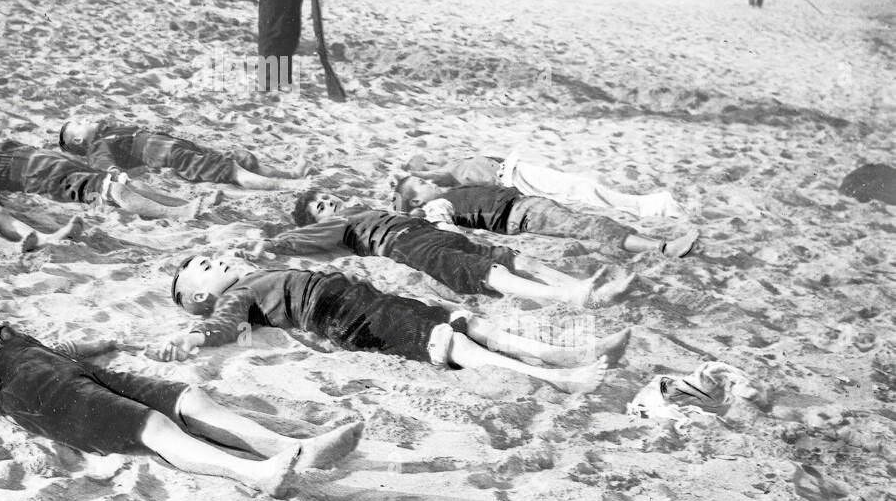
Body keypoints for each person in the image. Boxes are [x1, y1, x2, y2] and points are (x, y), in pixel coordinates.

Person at [0, 303, 364, 496]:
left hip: (65, 367)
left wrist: (100, 341)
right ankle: (254, 474)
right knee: (153, 427)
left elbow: (49, 344)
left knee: (190, 396)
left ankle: (295, 448)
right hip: (30, 395)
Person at [156, 257, 624, 394]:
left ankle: (558, 355)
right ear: (201, 295)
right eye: (207, 265)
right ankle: (558, 377)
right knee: (449, 341)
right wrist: (191, 336)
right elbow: (221, 326)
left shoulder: (253, 275)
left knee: (463, 321)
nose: (218, 258)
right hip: (346, 317)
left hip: (363, 301)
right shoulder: (237, 295)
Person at [258, 189, 633, 307]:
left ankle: (581, 289)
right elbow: (299, 241)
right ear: (317, 219)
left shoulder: (359, 209)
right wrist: (272, 243)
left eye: (327, 197)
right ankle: (572, 296)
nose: (329, 203)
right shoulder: (334, 225)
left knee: (513, 258)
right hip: (406, 244)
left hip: (425, 230)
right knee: (487, 272)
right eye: (320, 206)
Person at [390, 177, 699, 258]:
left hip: (526, 206)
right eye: (419, 184)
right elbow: (443, 225)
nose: (426, 181)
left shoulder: (450, 191)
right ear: (417, 200)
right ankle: (663, 247)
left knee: (589, 226)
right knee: (590, 225)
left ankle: (641, 244)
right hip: (521, 213)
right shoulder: (436, 205)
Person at [0, 136, 204, 220]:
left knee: (131, 184)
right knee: (114, 191)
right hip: (51, 181)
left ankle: (178, 203)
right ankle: (176, 214)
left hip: (66, 167)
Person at [399, 152, 683, 219]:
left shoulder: (451, 171)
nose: (427, 175)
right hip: (515, 178)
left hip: (516, 173)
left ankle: (651, 206)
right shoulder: (448, 180)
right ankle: (653, 207)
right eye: (421, 178)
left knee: (580, 189)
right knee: (580, 190)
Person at [59, 116, 308, 191]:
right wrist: (113, 173)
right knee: (230, 169)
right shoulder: (97, 145)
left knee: (239, 158)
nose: (85, 117)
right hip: (167, 154)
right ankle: (284, 185)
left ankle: (289, 174)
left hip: (174, 145)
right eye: (79, 122)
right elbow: (103, 164)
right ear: (80, 139)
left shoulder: (109, 131)